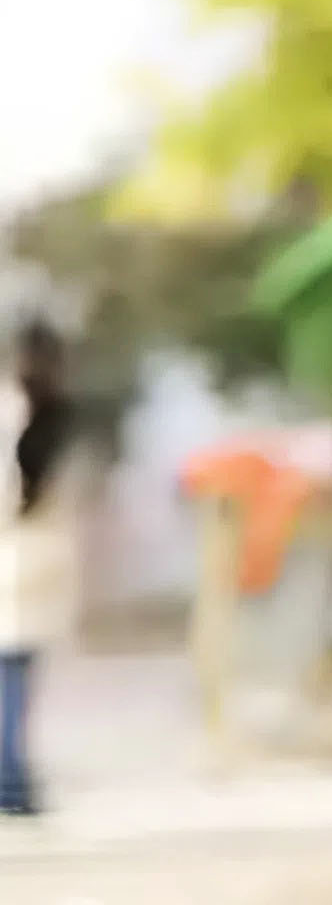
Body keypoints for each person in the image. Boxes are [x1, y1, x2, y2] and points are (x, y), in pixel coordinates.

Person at [0, 321, 77, 816]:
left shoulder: (12, 412)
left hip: (12, 553)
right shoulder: (55, 412)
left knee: (9, 673)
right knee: (17, 674)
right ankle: (13, 775)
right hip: (38, 556)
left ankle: (9, 777)